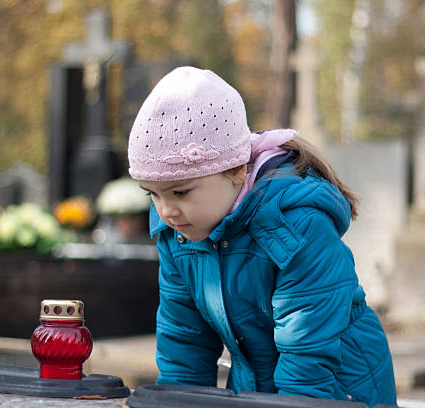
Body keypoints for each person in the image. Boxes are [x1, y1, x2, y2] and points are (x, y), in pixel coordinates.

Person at [127, 66, 397, 406]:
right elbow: (185, 342)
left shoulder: (295, 225)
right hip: (256, 387)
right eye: (151, 194)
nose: (165, 210)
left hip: (339, 388)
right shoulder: (177, 233)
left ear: (237, 170)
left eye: (180, 192)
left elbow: (307, 353)